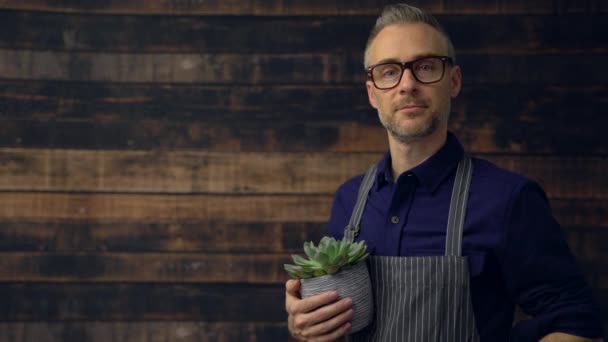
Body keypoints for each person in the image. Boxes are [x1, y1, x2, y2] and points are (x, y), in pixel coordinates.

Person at [284, 3, 604, 342]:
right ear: (372, 93)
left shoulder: (509, 199)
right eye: (389, 71)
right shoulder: (349, 201)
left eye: (425, 66)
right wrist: (307, 324)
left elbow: (576, 324)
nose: (407, 84)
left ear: (453, 81)